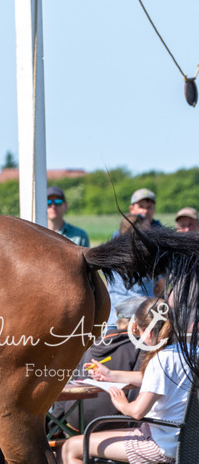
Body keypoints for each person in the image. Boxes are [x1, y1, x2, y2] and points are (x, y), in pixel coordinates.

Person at [61, 297, 192, 464]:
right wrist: (111, 374)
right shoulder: (189, 352)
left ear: (149, 332)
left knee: (71, 447)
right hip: (187, 442)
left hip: (160, 445)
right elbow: (154, 380)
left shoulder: (160, 360)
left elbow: (137, 412)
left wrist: (121, 402)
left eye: (137, 332)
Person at [47, 297, 145, 436]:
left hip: (75, 418)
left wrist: (53, 424)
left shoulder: (92, 342)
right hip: (112, 421)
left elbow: (71, 379)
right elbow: (139, 391)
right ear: (137, 323)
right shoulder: (141, 347)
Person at [105, 189, 165, 328]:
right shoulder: (116, 237)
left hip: (141, 312)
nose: (145, 211)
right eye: (141, 207)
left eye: (149, 207)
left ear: (154, 209)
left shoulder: (161, 237)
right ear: (131, 208)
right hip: (119, 313)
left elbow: (162, 283)